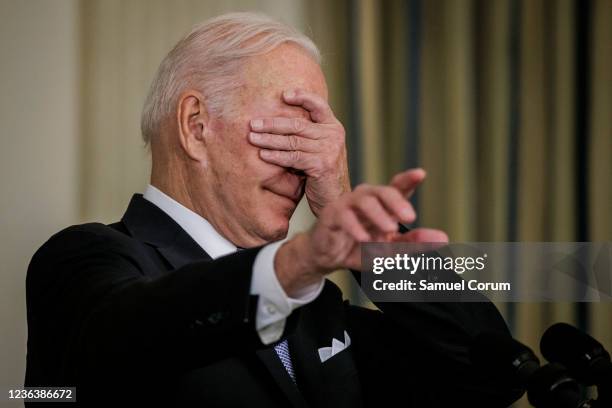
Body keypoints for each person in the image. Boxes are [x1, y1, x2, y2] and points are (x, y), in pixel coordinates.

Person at [25, 12, 520, 407]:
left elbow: (488, 378)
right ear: (196, 125)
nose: (311, 165)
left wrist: (378, 252)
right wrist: (295, 265)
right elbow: (129, 339)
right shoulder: (86, 258)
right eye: (291, 134)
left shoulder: (316, 307)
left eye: (321, 141)